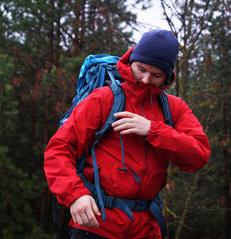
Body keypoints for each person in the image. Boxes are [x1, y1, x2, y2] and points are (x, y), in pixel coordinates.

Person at [44, 29, 211, 239]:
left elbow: (199, 156)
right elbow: (58, 150)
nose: (145, 79)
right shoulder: (104, 98)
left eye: (156, 75)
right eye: (141, 69)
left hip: (147, 229)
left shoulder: (174, 108)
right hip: (97, 223)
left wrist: (154, 130)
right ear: (131, 60)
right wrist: (75, 196)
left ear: (167, 77)